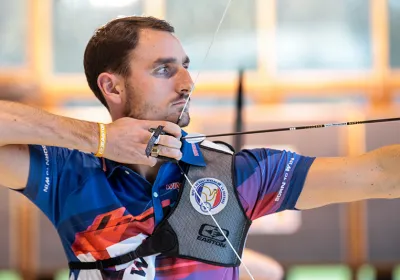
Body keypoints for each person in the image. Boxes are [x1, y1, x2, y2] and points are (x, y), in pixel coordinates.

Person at [0, 15, 398, 280]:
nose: (187, 82)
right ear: (112, 87)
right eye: (163, 69)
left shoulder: (239, 175)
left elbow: (380, 173)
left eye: (185, 66)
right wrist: (100, 139)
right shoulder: (70, 173)